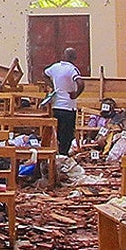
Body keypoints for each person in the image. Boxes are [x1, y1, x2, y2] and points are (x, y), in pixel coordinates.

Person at [43, 48, 85, 178]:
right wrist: (76, 94)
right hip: (68, 106)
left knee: (58, 132)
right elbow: (81, 83)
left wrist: (53, 86)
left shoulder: (55, 67)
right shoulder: (72, 69)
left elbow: (44, 74)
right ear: (74, 57)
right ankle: (63, 157)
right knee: (67, 133)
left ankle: (57, 156)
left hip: (56, 106)